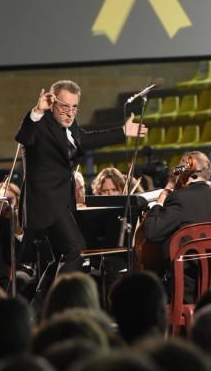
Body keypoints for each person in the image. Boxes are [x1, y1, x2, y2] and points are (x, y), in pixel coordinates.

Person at [15, 80, 146, 273]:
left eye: (74, 107)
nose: (70, 112)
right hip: (46, 204)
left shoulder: (70, 126)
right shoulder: (40, 124)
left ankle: (40, 302)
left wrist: (122, 132)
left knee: (61, 257)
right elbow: (23, 137)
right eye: (65, 106)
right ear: (52, 103)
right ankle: (58, 300)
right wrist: (36, 111)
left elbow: (87, 139)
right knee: (76, 250)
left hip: (61, 203)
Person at [140, 151, 211, 301]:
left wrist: (159, 202)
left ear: (185, 171)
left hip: (185, 289)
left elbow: (152, 232)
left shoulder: (178, 199)